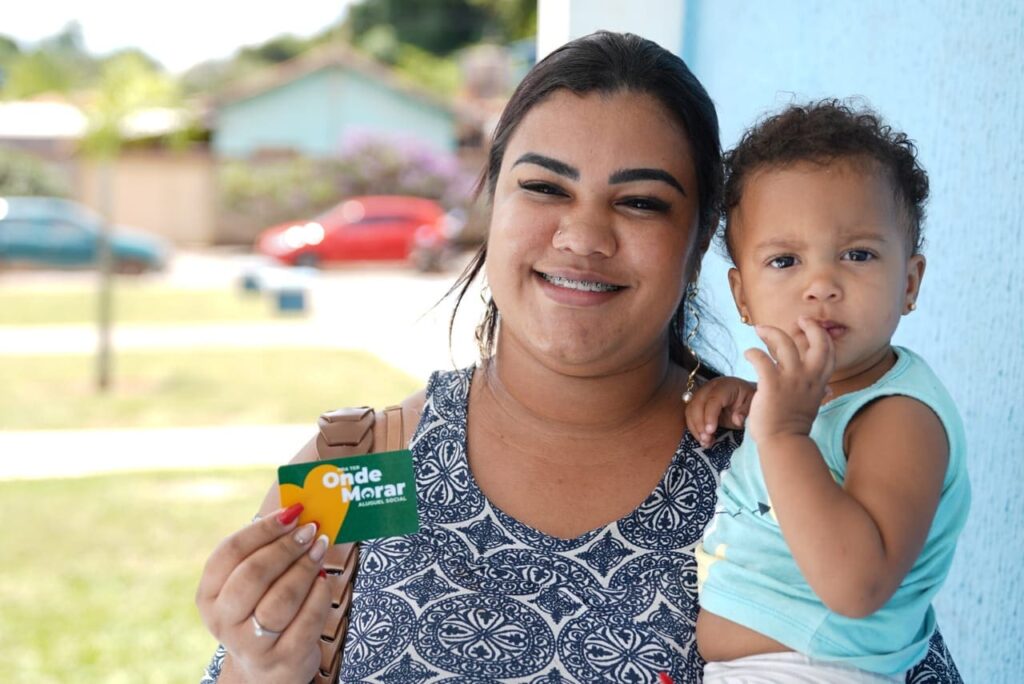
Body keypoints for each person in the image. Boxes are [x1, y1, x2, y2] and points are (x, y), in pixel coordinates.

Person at [198, 33, 962, 683]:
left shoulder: (776, 459)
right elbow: (245, 661)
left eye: (641, 202)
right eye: (542, 188)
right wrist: (257, 667)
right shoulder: (364, 468)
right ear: (491, 202)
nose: (584, 237)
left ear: (700, 245)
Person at [686, 101, 971, 682]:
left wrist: (782, 434)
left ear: (909, 283)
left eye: (858, 255)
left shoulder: (900, 418)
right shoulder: (820, 397)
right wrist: (757, 400)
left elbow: (857, 585)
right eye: (785, 260)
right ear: (742, 297)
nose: (822, 285)